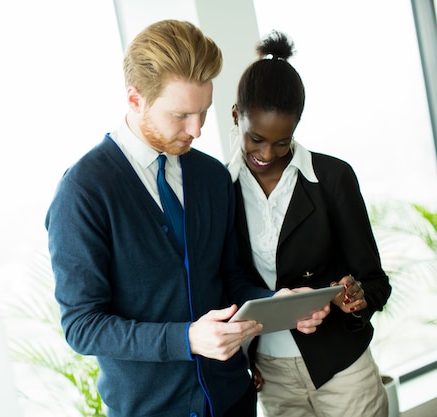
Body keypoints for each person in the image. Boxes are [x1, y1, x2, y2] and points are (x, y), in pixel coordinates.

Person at [45, 20, 330, 417]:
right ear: (134, 99)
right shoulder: (84, 192)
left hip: (234, 402)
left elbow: (230, 278)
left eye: (203, 112)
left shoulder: (212, 177)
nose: (196, 130)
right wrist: (186, 339)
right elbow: (83, 325)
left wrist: (275, 303)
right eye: (180, 115)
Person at [227, 30, 392, 417]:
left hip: (342, 369)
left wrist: (354, 295)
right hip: (270, 374)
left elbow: (375, 282)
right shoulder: (219, 190)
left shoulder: (332, 179)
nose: (267, 153)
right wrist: (238, 362)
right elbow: (223, 283)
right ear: (236, 116)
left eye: (282, 142)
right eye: (255, 138)